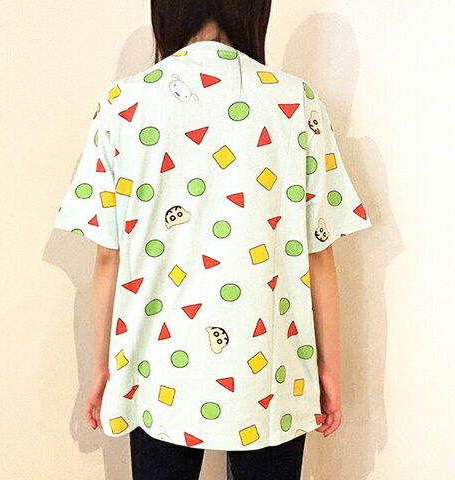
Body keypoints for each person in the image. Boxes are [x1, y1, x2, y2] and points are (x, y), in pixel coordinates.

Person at [53, 0, 372, 478]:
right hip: (271, 368)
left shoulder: (124, 104)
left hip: (155, 364)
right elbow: (319, 255)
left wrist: (102, 367)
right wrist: (329, 369)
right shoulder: (295, 101)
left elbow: (107, 258)